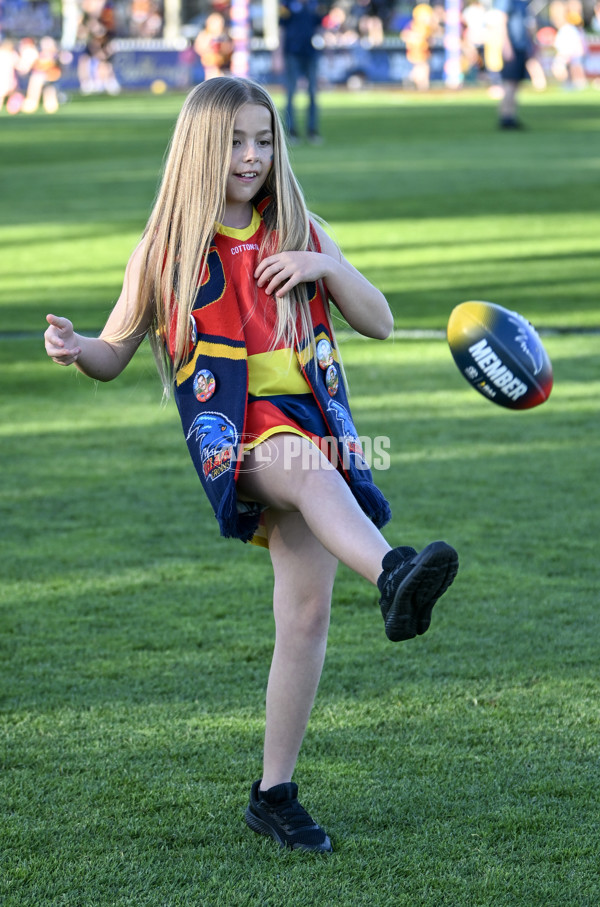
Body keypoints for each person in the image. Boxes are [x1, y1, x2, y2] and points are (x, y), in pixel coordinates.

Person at [44, 77, 458, 853]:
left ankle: (275, 792)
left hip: (313, 427)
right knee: (301, 465)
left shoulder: (299, 228)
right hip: (235, 436)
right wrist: (75, 351)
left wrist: (321, 268)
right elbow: (113, 351)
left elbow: (383, 321)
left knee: (305, 614)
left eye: (264, 140)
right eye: (236, 141)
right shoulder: (166, 249)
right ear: (201, 147)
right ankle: (396, 571)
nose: (252, 156)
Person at [275, 0, 326, 143]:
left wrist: (325, 48)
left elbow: (319, 27)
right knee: (291, 93)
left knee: (313, 93)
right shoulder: (286, 4)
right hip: (292, 53)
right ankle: (291, 131)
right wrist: (278, 55)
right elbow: (282, 29)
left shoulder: (315, 5)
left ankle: (312, 130)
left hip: (311, 53)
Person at [491, 0, 535, 128]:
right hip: (512, 47)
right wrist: (507, 45)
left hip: (520, 46)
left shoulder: (521, 3)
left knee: (516, 83)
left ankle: (511, 115)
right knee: (509, 82)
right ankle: (505, 117)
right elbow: (501, 21)